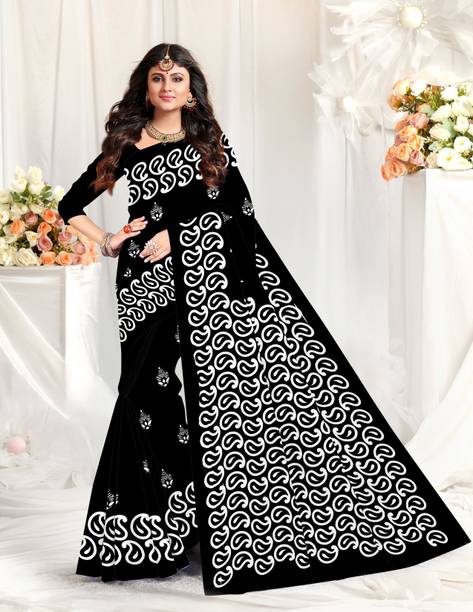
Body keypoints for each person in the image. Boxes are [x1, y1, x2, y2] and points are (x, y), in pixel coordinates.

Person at [58, 43, 470, 597]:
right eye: (158, 78)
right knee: (142, 397)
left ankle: (197, 528)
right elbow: (69, 207)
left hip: (204, 277)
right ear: (145, 86)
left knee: (223, 398)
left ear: (191, 88)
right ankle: (153, 537)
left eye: (177, 78)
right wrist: (110, 240)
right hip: (143, 286)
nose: (167, 87)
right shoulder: (127, 144)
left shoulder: (208, 142)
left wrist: (176, 235)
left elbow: (238, 210)